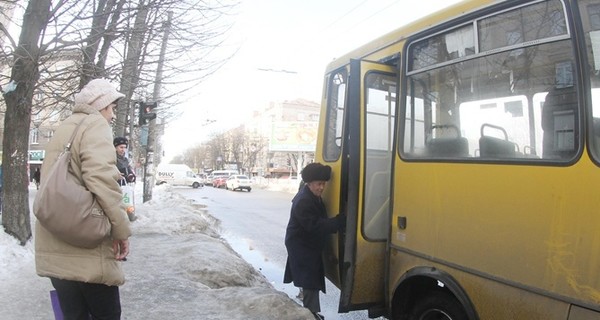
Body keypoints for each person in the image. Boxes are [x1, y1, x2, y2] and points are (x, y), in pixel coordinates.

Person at [35, 78, 131, 320]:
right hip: (88, 250)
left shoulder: (65, 127)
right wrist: (121, 229)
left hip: (56, 243)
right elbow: (102, 182)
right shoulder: (95, 125)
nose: (112, 116)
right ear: (103, 105)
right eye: (112, 108)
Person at [283, 162, 346, 320]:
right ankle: (310, 314)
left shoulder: (311, 196)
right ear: (309, 183)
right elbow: (315, 225)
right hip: (301, 246)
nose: (321, 188)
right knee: (310, 280)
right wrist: (338, 222)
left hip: (307, 245)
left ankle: (311, 313)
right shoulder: (304, 200)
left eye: (324, 184)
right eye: (319, 184)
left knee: (310, 279)